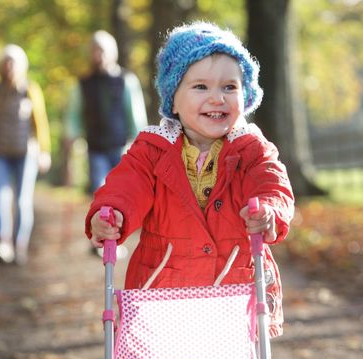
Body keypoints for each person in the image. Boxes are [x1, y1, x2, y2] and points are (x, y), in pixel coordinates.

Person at [85, 21, 295, 336]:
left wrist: (269, 211)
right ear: (174, 98)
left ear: (245, 93)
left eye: (229, 87)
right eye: (201, 87)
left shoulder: (251, 149)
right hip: (164, 291)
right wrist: (113, 213)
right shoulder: (153, 150)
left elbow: (272, 184)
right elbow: (126, 185)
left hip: (234, 292)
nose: (217, 98)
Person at [0, 44, 51, 265]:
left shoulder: (30, 89)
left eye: (13, 62)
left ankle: (19, 245)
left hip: (26, 153)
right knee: (0, 198)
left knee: (22, 201)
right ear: (0, 66)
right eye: (6, 62)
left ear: (22, 66)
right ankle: (3, 242)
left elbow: (40, 123)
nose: (9, 66)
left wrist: (44, 151)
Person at [64, 30, 148, 194]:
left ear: (112, 52)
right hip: (95, 149)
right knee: (101, 194)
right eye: (94, 50)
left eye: (102, 50)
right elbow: (73, 117)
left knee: (123, 194)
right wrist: (71, 142)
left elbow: (137, 117)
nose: (98, 55)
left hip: (122, 148)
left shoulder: (126, 80)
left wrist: (135, 144)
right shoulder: (82, 84)